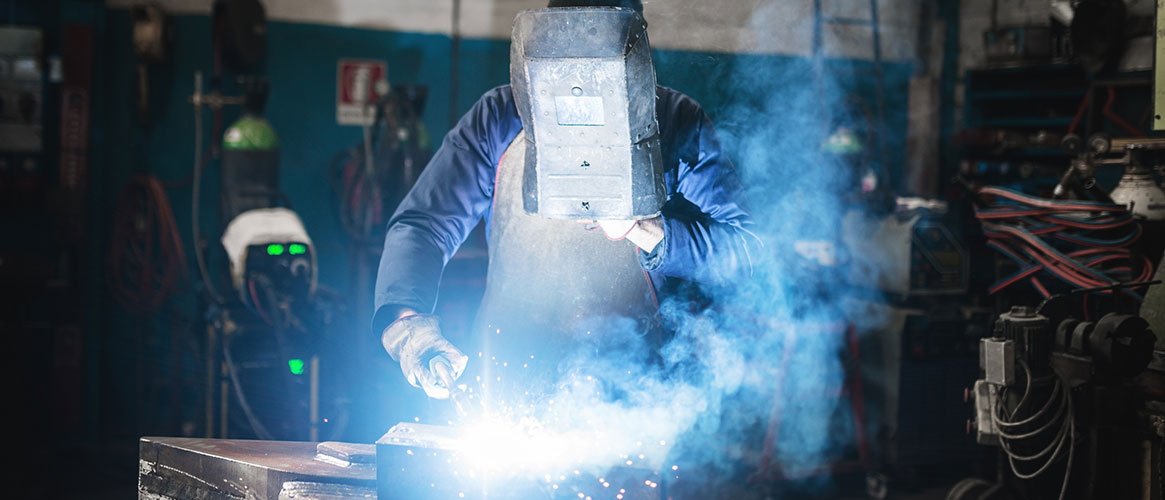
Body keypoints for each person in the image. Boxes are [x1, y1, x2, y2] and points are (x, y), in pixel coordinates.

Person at [373, 0, 755, 400]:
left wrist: (644, 229)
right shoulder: (501, 116)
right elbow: (424, 224)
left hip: (636, 399)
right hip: (505, 381)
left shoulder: (676, 122)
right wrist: (408, 322)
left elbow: (747, 252)